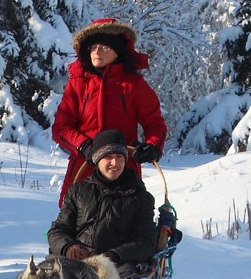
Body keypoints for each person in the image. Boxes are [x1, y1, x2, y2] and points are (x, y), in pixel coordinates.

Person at [48, 129, 161, 279]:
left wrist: (112, 256)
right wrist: (69, 247)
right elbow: (57, 230)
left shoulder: (140, 197)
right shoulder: (78, 192)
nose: (114, 163)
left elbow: (145, 242)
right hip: (76, 263)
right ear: (97, 159)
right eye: (108, 157)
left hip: (116, 266)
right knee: (45, 273)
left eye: (119, 157)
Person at [51, 18, 168, 204]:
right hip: (83, 170)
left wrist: (151, 147)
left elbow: (155, 124)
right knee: (74, 224)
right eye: (93, 46)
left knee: (127, 223)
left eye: (104, 47)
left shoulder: (134, 85)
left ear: (118, 51)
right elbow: (61, 128)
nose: (97, 51)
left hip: (122, 170)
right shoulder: (77, 84)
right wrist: (83, 146)